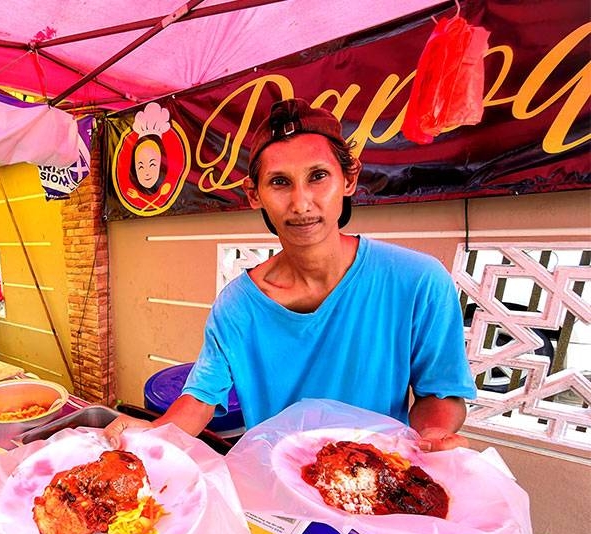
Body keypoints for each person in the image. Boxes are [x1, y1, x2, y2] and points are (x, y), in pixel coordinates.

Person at [104, 98, 476, 452]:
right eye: (280, 182)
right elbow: (202, 397)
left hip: (375, 483)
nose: (301, 203)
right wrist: (154, 432)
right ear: (254, 194)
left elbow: (441, 392)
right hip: (275, 489)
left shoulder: (417, 281)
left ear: (348, 179)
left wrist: (432, 437)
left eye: (318, 176)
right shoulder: (237, 306)